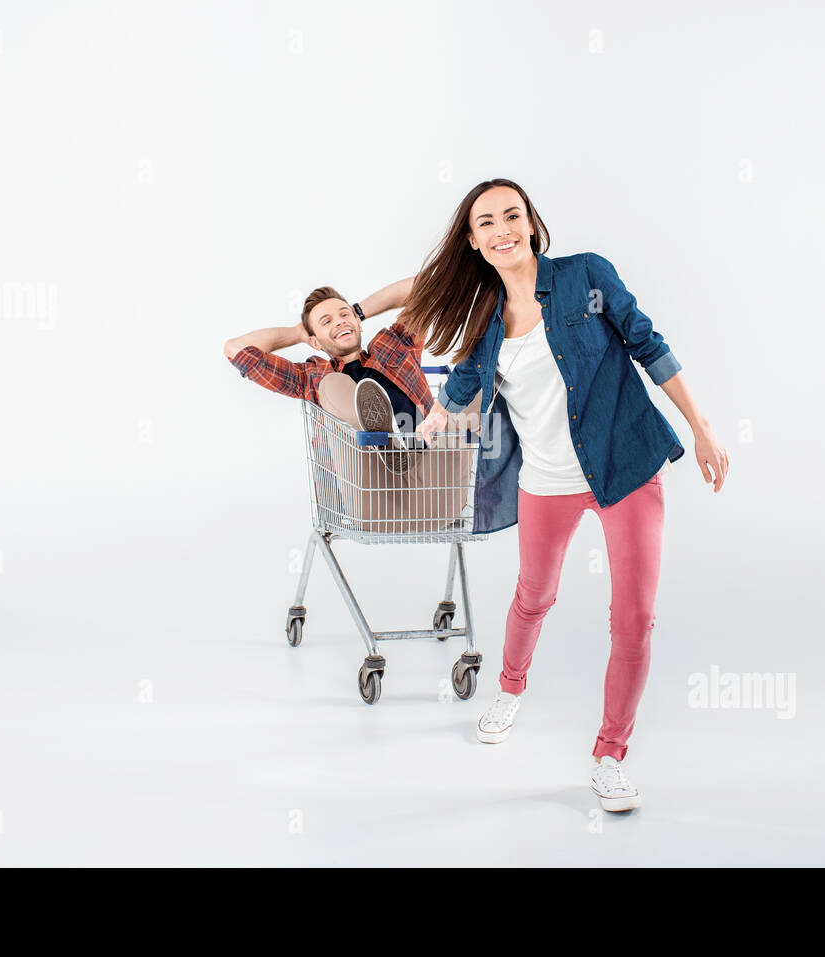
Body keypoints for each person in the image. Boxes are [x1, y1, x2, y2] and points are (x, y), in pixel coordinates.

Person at [407, 178, 730, 812]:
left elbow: (648, 343)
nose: (502, 229)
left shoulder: (586, 276)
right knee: (534, 596)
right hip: (546, 482)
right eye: (486, 222)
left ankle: (610, 755)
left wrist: (702, 428)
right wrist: (439, 413)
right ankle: (509, 689)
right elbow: (467, 377)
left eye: (512, 215)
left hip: (624, 467)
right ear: (472, 242)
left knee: (633, 619)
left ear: (530, 223)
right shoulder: (484, 321)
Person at [224, 281, 481, 533]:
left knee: (474, 382)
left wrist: (358, 311)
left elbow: (429, 287)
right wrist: (298, 333)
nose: (338, 322)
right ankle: (379, 437)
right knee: (332, 383)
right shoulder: (313, 376)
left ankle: (400, 438)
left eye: (343, 315)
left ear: (358, 323)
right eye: (326, 321)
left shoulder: (394, 346)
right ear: (315, 342)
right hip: (375, 500)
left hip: (435, 490)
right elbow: (235, 350)